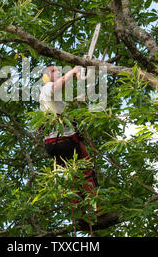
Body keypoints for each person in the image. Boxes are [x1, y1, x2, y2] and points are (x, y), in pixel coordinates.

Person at [39, 64, 119, 232]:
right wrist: (73, 71)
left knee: (74, 179)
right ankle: (100, 213)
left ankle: (79, 217)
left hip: (54, 144)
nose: (59, 72)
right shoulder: (47, 88)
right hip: (64, 141)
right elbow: (54, 87)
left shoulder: (53, 102)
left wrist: (78, 99)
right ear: (46, 76)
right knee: (87, 174)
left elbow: (60, 109)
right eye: (54, 71)